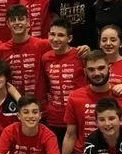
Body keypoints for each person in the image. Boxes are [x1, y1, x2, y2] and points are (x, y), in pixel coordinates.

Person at [36, 17, 86, 145]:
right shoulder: (46, 58)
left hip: (78, 116)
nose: (55, 39)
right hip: (54, 118)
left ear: (69, 38)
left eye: (61, 35)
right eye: (52, 34)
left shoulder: (80, 55)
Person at [0, 4, 52, 96]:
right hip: (14, 101)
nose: (17, 23)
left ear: (28, 22)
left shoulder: (42, 45)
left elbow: (66, 50)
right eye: (13, 20)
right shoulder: (2, 50)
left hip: (39, 102)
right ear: (8, 24)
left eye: (21, 19)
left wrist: (80, 49)